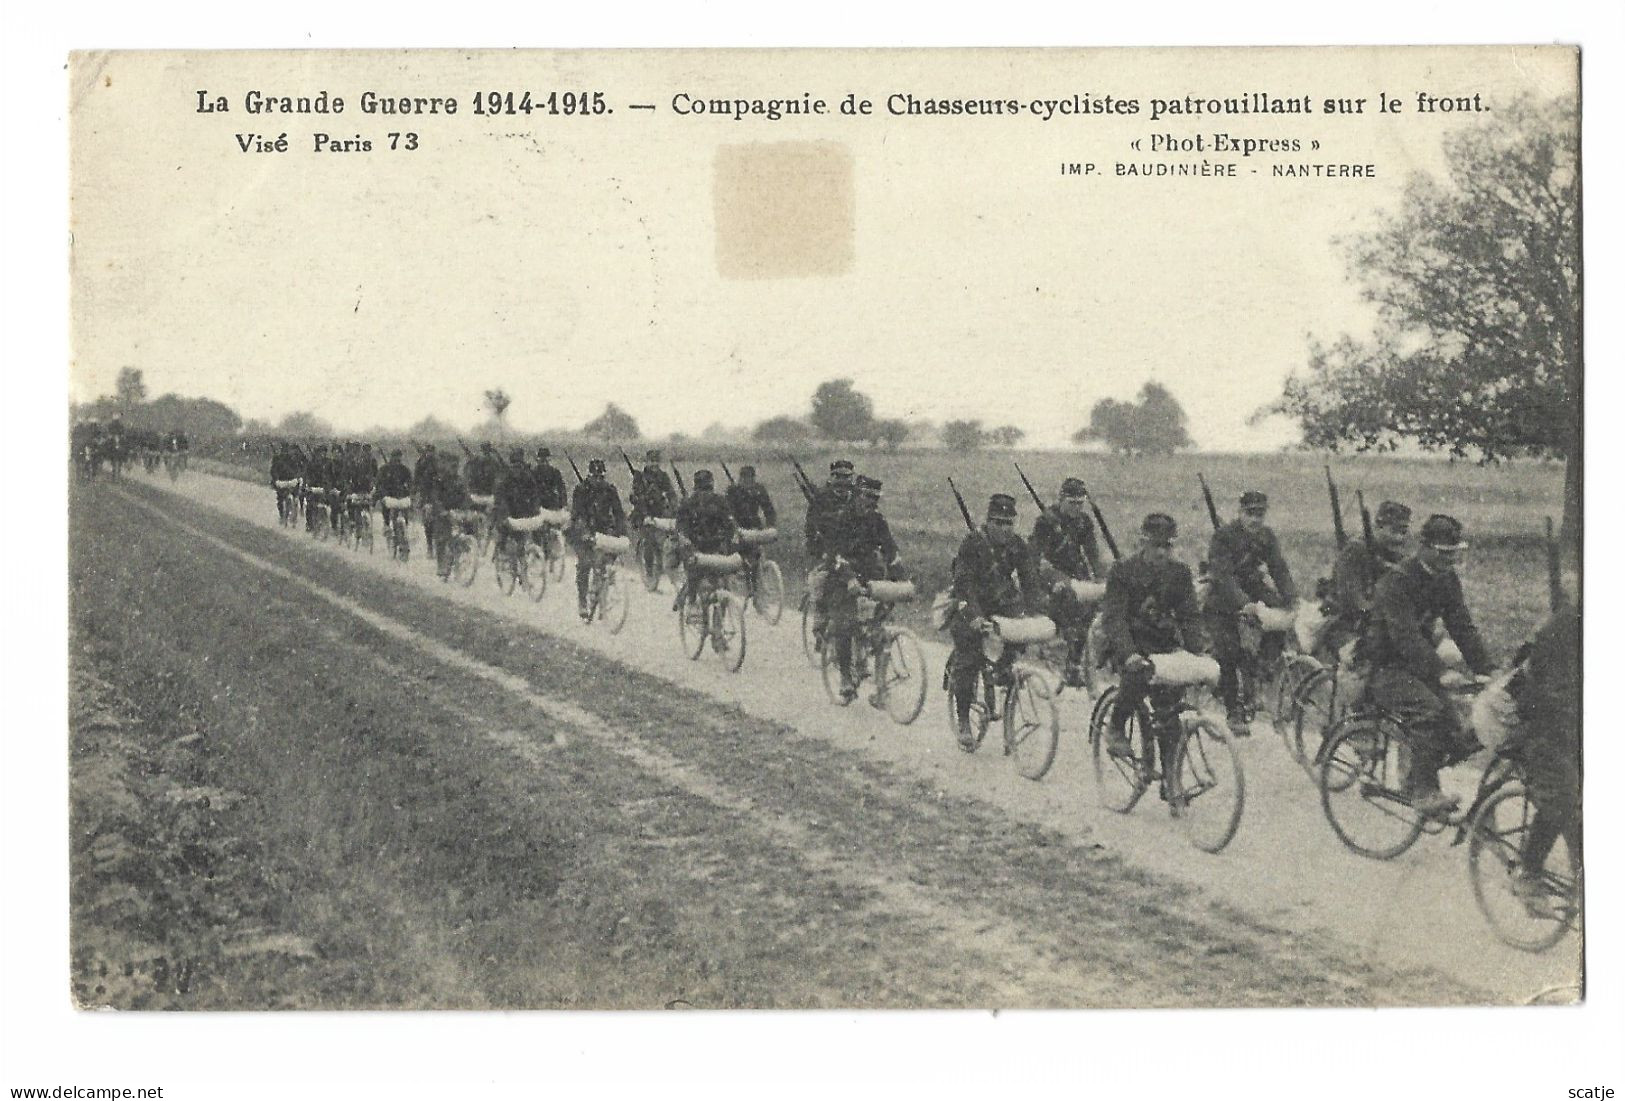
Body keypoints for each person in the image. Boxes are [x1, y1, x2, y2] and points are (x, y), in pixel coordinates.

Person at [1359, 514, 1495, 816]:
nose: (1450, 560)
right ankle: (1424, 791)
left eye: (1454, 554)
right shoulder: (1396, 581)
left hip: (1417, 668)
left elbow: (1462, 626)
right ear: (1423, 547)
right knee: (1428, 712)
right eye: (1444, 553)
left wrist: (1487, 668)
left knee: (1458, 734)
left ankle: (1413, 777)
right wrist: (1441, 671)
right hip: (1385, 668)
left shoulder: (1446, 579)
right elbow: (1404, 636)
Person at [1099, 514, 1210, 801]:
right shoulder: (1123, 571)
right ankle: (1116, 726)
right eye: (1156, 545)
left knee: (1169, 711)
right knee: (1136, 677)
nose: (1162, 552)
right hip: (1130, 644)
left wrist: (1197, 650)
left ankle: (1171, 780)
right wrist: (1128, 653)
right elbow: (1114, 619)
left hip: (1163, 645)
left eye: (1167, 546)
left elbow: (1189, 616)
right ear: (1143, 543)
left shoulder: (1180, 574)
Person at [945, 494, 1044, 749]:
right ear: (988, 522)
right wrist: (975, 617)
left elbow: (1030, 580)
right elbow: (963, 584)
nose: (1004, 529)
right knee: (968, 659)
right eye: (998, 523)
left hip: (1002, 605)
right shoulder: (972, 543)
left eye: (1009, 523)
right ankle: (964, 720)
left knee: (1012, 654)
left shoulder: (1018, 545)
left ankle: (1007, 709)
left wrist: (1034, 614)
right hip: (971, 605)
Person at [1203, 490, 1298, 735]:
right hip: (1223, 597)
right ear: (1240, 512)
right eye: (1250, 514)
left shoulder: (1266, 537)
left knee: (1280, 621)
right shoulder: (1223, 537)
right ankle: (1233, 710)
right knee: (1229, 651)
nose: (1255, 520)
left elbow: (1279, 568)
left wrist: (1291, 599)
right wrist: (1244, 603)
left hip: (1252, 589)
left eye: (1260, 514)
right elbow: (1223, 576)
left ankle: (1259, 674)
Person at [1506, 599, 1581, 903]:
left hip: (1571, 725)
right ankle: (1528, 870)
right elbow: (1552, 692)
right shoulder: (1566, 627)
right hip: (1545, 725)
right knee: (1562, 796)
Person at [823, 475, 904, 702]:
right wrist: (849, 579)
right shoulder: (841, 519)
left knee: (880, 631)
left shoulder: (877, 520)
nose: (871, 503)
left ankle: (880, 689)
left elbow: (890, 550)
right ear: (857, 495)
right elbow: (836, 555)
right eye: (867, 497)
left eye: (875, 499)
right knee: (844, 624)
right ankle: (846, 676)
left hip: (869, 575)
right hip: (841, 577)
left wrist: (901, 577)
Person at [1030, 477, 1106, 687]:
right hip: (1051, 572)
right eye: (1072, 503)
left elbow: (1092, 553)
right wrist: (1052, 579)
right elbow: (1036, 556)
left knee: (1093, 603)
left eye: (1080, 503)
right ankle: (1063, 648)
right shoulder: (1045, 521)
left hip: (1075, 572)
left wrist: (1101, 579)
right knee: (1067, 601)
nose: (1076, 508)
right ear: (1061, 499)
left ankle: (1074, 660)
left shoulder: (1084, 522)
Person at [1318, 501, 1411, 662]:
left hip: (1375, 625)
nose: (1399, 538)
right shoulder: (1355, 551)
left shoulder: (1393, 555)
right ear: (1379, 526)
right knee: (1359, 665)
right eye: (1394, 531)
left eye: (1403, 532)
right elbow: (1351, 600)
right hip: (1343, 625)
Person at [804, 459, 857, 648]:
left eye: (847, 478)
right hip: (827, 547)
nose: (843, 483)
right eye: (839, 477)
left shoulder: (857, 497)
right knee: (824, 582)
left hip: (853, 547)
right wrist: (819, 551)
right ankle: (820, 627)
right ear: (832, 478)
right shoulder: (821, 498)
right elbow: (811, 528)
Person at [570, 458, 629, 620]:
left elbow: (618, 513)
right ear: (589, 476)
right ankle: (582, 600)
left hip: (602, 530)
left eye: (601, 477)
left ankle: (601, 597)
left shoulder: (610, 490)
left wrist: (621, 532)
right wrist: (584, 533)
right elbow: (577, 514)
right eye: (595, 477)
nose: (598, 480)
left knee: (605, 561)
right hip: (583, 532)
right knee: (585, 563)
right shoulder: (581, 490)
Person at [673, 469, 739, 611]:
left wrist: (732, 537)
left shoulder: (720, 502)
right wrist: (684, 539)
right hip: (694, 547)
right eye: (703, 489)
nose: (706, 493)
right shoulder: (688, 504)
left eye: (708, 489)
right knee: (694, 574)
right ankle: (691, 604)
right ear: (696, 489)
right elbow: (680, 526)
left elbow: (729, 523)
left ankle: (719, 622)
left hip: (715, 546)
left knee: (724, 578)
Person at [726, 464, 779, 592]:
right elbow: (729, 513)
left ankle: (754, 588)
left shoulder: (759, 490)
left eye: (750, 478)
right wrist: (735, 528)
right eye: (744, 478)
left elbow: (769, 509)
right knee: (741, 555)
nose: (747, 482)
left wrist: (770, 525)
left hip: (755, 526)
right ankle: (747, 584)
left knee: (756, 555)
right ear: (741, 478)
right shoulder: (733, 491)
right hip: (738, 527)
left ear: (753, 479)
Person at [630, 449, 679, 578]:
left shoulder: (663, 476)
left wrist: (676, 508)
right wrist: (646, 515)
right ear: (646, 462)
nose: (654, 464)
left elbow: (671, 493)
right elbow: (639, 498)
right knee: (649, 539)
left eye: (656, 461)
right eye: (651, 461)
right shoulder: (639, 477)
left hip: (660, 512)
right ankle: (649, 570)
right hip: (643, 512)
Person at [428, 454, 476, 580]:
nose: (454, 468)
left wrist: (469, 507)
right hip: (443, 513)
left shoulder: (460, 481)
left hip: (457, 511)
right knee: (441, 538)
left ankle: (469, 551)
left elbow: (466, 496)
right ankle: (441, 565)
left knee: (469, 528)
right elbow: (435, 498)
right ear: (447, 466)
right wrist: (442, 511)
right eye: (452, 466)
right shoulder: (439, 481)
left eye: (456, 466)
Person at [494, 447, 542, 559]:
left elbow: (534, 494)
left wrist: (535, 508)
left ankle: (536, 549)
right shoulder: (505, 480)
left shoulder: (528, 478)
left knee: (535, 528)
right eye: (514, 466)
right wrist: (502, 510)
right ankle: (500, 550)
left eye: (519, 466)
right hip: (509, 511)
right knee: (504, 529)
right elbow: (499, 496)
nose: (516, 469)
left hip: (524, 512)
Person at [377, 448, 414, 552]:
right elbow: (379, 484)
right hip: (389, 496)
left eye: (399, 457)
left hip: (401, 496)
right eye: (395, 457)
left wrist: (410, 492)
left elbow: (410, 482)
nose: (397, 459)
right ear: (391, 457)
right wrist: (382, 495)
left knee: (405, 512)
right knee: (387, 509)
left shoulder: (404, 470)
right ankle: (387, 525)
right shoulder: (384, 469)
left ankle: (405, 530)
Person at [413, 444, 440, 557]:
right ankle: (430, 546)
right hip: (426, 494)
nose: (430, 454)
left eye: (431, 451)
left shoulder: (438, 463)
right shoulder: (421, 463)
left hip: (438, 494)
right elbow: (416, 479)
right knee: (428, 522)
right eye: (428, 451)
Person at [533, 446, 568, 513]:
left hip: (551, 502)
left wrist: (563, 505)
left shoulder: (555, 472)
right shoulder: (534, 472)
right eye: (542, 459)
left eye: (545, 459)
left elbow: (561, 489)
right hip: (538, 503)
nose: (544, 461)